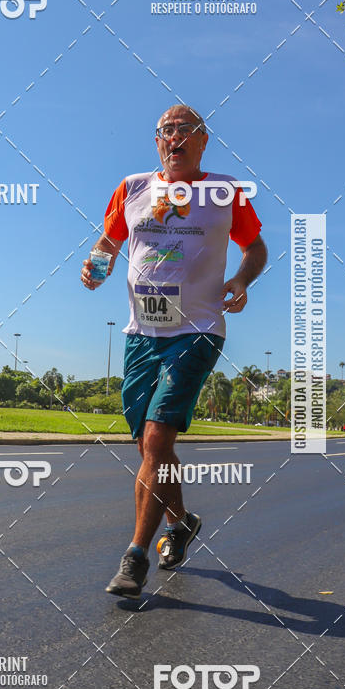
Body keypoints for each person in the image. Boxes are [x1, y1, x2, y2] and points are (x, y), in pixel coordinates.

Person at [81, 104, 267, 599]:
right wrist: (96, 266)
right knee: (149, 447)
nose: (174, 137)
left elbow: (256, 247)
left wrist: (242, 280)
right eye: (165, 131)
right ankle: (181, 523)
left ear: (203, 140)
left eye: (185, 129)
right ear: (157, 142)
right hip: (142, 333)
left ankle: (135, 556)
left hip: (198, 329)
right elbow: (109, 240)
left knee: (158, 439)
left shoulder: (225, 191)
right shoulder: (132, 187)